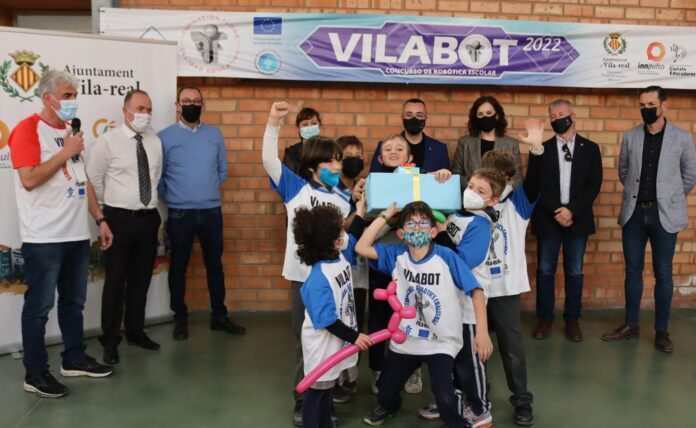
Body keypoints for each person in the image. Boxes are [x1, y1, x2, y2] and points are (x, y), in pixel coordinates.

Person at [8, 69, 113, 398]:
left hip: (76, 235)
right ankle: (35, 372)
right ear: (47, 97)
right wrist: (65, 152)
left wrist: (100, 218)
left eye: (75, 95)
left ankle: (74, 358)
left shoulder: (72, 131)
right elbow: (29, 179)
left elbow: (83, 179)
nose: (73, 101)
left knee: (73, 303)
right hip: (44, 238)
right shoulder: (27, 130)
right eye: (67, 96)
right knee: (38, 308)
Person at [356, 201, 493, 428]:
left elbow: (476, 292)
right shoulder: (396, 255)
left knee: (445, 398)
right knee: (385, 390)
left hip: (441, 341)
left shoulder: (447, 257)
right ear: (400, 233)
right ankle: (389, 406)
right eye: (410, 224)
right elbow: (361, 247)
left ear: (433, 232)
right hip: (406, 339)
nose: (417, 228)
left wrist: (482, 332)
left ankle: (459, 418)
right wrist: (386, 215)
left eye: (423, 223)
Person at [261, 102, 351, 426]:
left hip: (334, 281)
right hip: (303, 279)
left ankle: (326, 398)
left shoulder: (343, 197)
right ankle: (304, 401)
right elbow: (269, 160)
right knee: (307, 343)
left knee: (332, 341)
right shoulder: (295, 188)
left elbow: (343, 239)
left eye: (339, 160)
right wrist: (274, 121)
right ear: (313, 165)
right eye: (330, 161)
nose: (336, 166)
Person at [601, 86, 696, 353]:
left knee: (663, 272)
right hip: (633, 214)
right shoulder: (630, 136)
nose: (646, 109)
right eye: (642, 105)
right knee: (632, 271)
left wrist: (670, 197)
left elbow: (690, 175)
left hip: (664, 215)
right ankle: (631, 325)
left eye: (651, 104)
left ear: (664, 105)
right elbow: (624, 171)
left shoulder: (682, 138)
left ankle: (662, 331)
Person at [359, 133, 451, 396]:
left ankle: (413, 369)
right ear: (380, 158)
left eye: (400, 148)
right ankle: (378, 369)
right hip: (383, 260)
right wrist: (391, 220)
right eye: (387, 148)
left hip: (416, 263)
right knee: (379, 317)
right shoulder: (371, 185)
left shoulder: (424, 181)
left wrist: (442, 176)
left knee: (413, 313)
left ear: (410, 157)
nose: (394, 151)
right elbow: (368, 233)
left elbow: (440, 215)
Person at [158, 86, 245, 341]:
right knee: (178, 267)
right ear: (177, 106)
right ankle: (180, 318)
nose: (191, 104)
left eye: (196, 101)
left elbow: (222, 171)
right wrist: (177, 196)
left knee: (215, 266)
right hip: (179, 214)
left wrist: (204, 191)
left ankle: (219, 316)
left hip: (211, 212)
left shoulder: (214, 134)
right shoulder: (164, 137)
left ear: (202, 105)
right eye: (186, 100)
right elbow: (159, 178)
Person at [476, 119, 544, 427]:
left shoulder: (518, 204)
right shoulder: (471, 201)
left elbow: (536, 182)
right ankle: (479, 396)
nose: (495, 184)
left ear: (511, 179)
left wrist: (537, 149)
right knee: (474, 347)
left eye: (501, 178)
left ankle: (522, 400)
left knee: (511, 349)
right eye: (488, 178)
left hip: (505, 288)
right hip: (476, 290)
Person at [87, 89, 163, 365]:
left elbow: (154, 177)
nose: (146, 114)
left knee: (141, 280)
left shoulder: (154, 141)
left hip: (148, 219)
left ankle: (135, 332)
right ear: (126, 111)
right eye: (141, 109)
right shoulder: (107, 141)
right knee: (115, 283)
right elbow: (93, 182)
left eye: (149, 110)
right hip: (117, 220)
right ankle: (110, 340)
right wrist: (102, 218)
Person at [293, 201, 371, 428]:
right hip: (321, 348)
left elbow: (353, 235)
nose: (344, 232)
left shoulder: (340, 256)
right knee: (316, 396)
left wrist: (360, 211)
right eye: (340, 230)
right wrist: (355, 337)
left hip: (336, 344)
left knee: (327, 395)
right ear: (334, 241)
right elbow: (327, 320)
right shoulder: (317, 280)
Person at [531, 99, 602, 342]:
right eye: (552, 116)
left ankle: (572, 320)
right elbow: (536, 185)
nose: (557, 119)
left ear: (573, 116)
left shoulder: (590, 148)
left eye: (561, 114)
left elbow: (594, 185)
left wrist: (571, 211)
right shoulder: (542, 149)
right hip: (548, 219)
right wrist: (558, 211)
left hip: (577, 220)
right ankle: (545, 318)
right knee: (545, 271)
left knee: (574, 272)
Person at [332, 135, 367, 404]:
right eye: (348, 155)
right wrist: (358, 207)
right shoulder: (331, 191)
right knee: (337, 324)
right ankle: (335, 377)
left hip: (360, 271)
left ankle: (351, 377)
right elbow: (341, 228)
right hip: (337, 271)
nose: (354, 159)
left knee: (356, 323)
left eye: (358, 154)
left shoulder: (367, 187)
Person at [451, 95, 523, 189]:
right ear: (475, 118)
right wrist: (474, 183)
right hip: (472, 196)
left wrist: (499, 189)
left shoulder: (511, 144)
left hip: (501, 197)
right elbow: (456, 176)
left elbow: (518, 179)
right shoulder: (464, 143)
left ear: (497, 116)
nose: (485, 117)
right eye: (480, 114)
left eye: (489, 113)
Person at [369, 98, 450, 173]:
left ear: (426, 119)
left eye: (419, 115)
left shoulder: (439, 149)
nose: (414, 119)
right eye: (409, 115)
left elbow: (447, 180)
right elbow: (374, 177)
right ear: (402, 118)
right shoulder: (384, 146)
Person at [283, 107, 322, 174]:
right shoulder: (291, 153)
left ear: (319, 125)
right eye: (305, 124)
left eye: (314, 123)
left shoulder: (328, 149)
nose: (310, 127)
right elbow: (289, 177)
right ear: (299, 129)